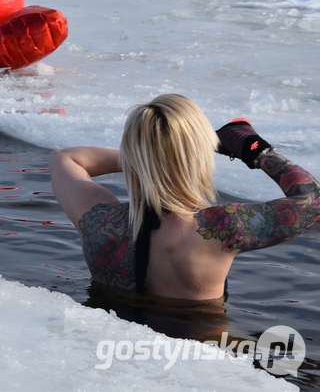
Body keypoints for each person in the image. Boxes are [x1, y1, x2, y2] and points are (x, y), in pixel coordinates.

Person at [49, 94, 320, 301]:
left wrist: (147, 159)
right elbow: (313, 201)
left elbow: (65, 157)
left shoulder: (96, 218)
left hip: (115, 347)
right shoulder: (221, 228)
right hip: (198, 353)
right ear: (198, 154)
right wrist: (258, 152)